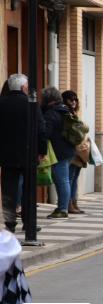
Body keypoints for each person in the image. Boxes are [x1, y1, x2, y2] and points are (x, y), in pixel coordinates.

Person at [0, 74, 46, 232]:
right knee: (29, 190)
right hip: (29, 153)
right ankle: (29, 223)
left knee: (8, 190)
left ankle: (10, 224)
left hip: (7, 155)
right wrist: (42, 150)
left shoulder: (2, 103)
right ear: (23, 88)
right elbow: (41, 129)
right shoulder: (31, 104)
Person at [42, 87, 76, 219]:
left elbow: (46, 132)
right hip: (68, 149)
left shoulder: (51, 113)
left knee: (62, 180)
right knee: (65, 180)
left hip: (59, 151)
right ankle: (63, 207)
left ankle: (62, 209)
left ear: (48, 100)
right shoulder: (65, 110)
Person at [62, 90, 90, 214]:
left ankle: (74, 203)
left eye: (75, 99)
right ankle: (69, 204)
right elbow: (80, 129)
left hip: (79, 151)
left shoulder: (73, 113)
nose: (73, 102)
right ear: (65, 100)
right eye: (70, 99)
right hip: (73, 150)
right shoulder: (67, 114)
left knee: (74, 178)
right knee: (70, 178)